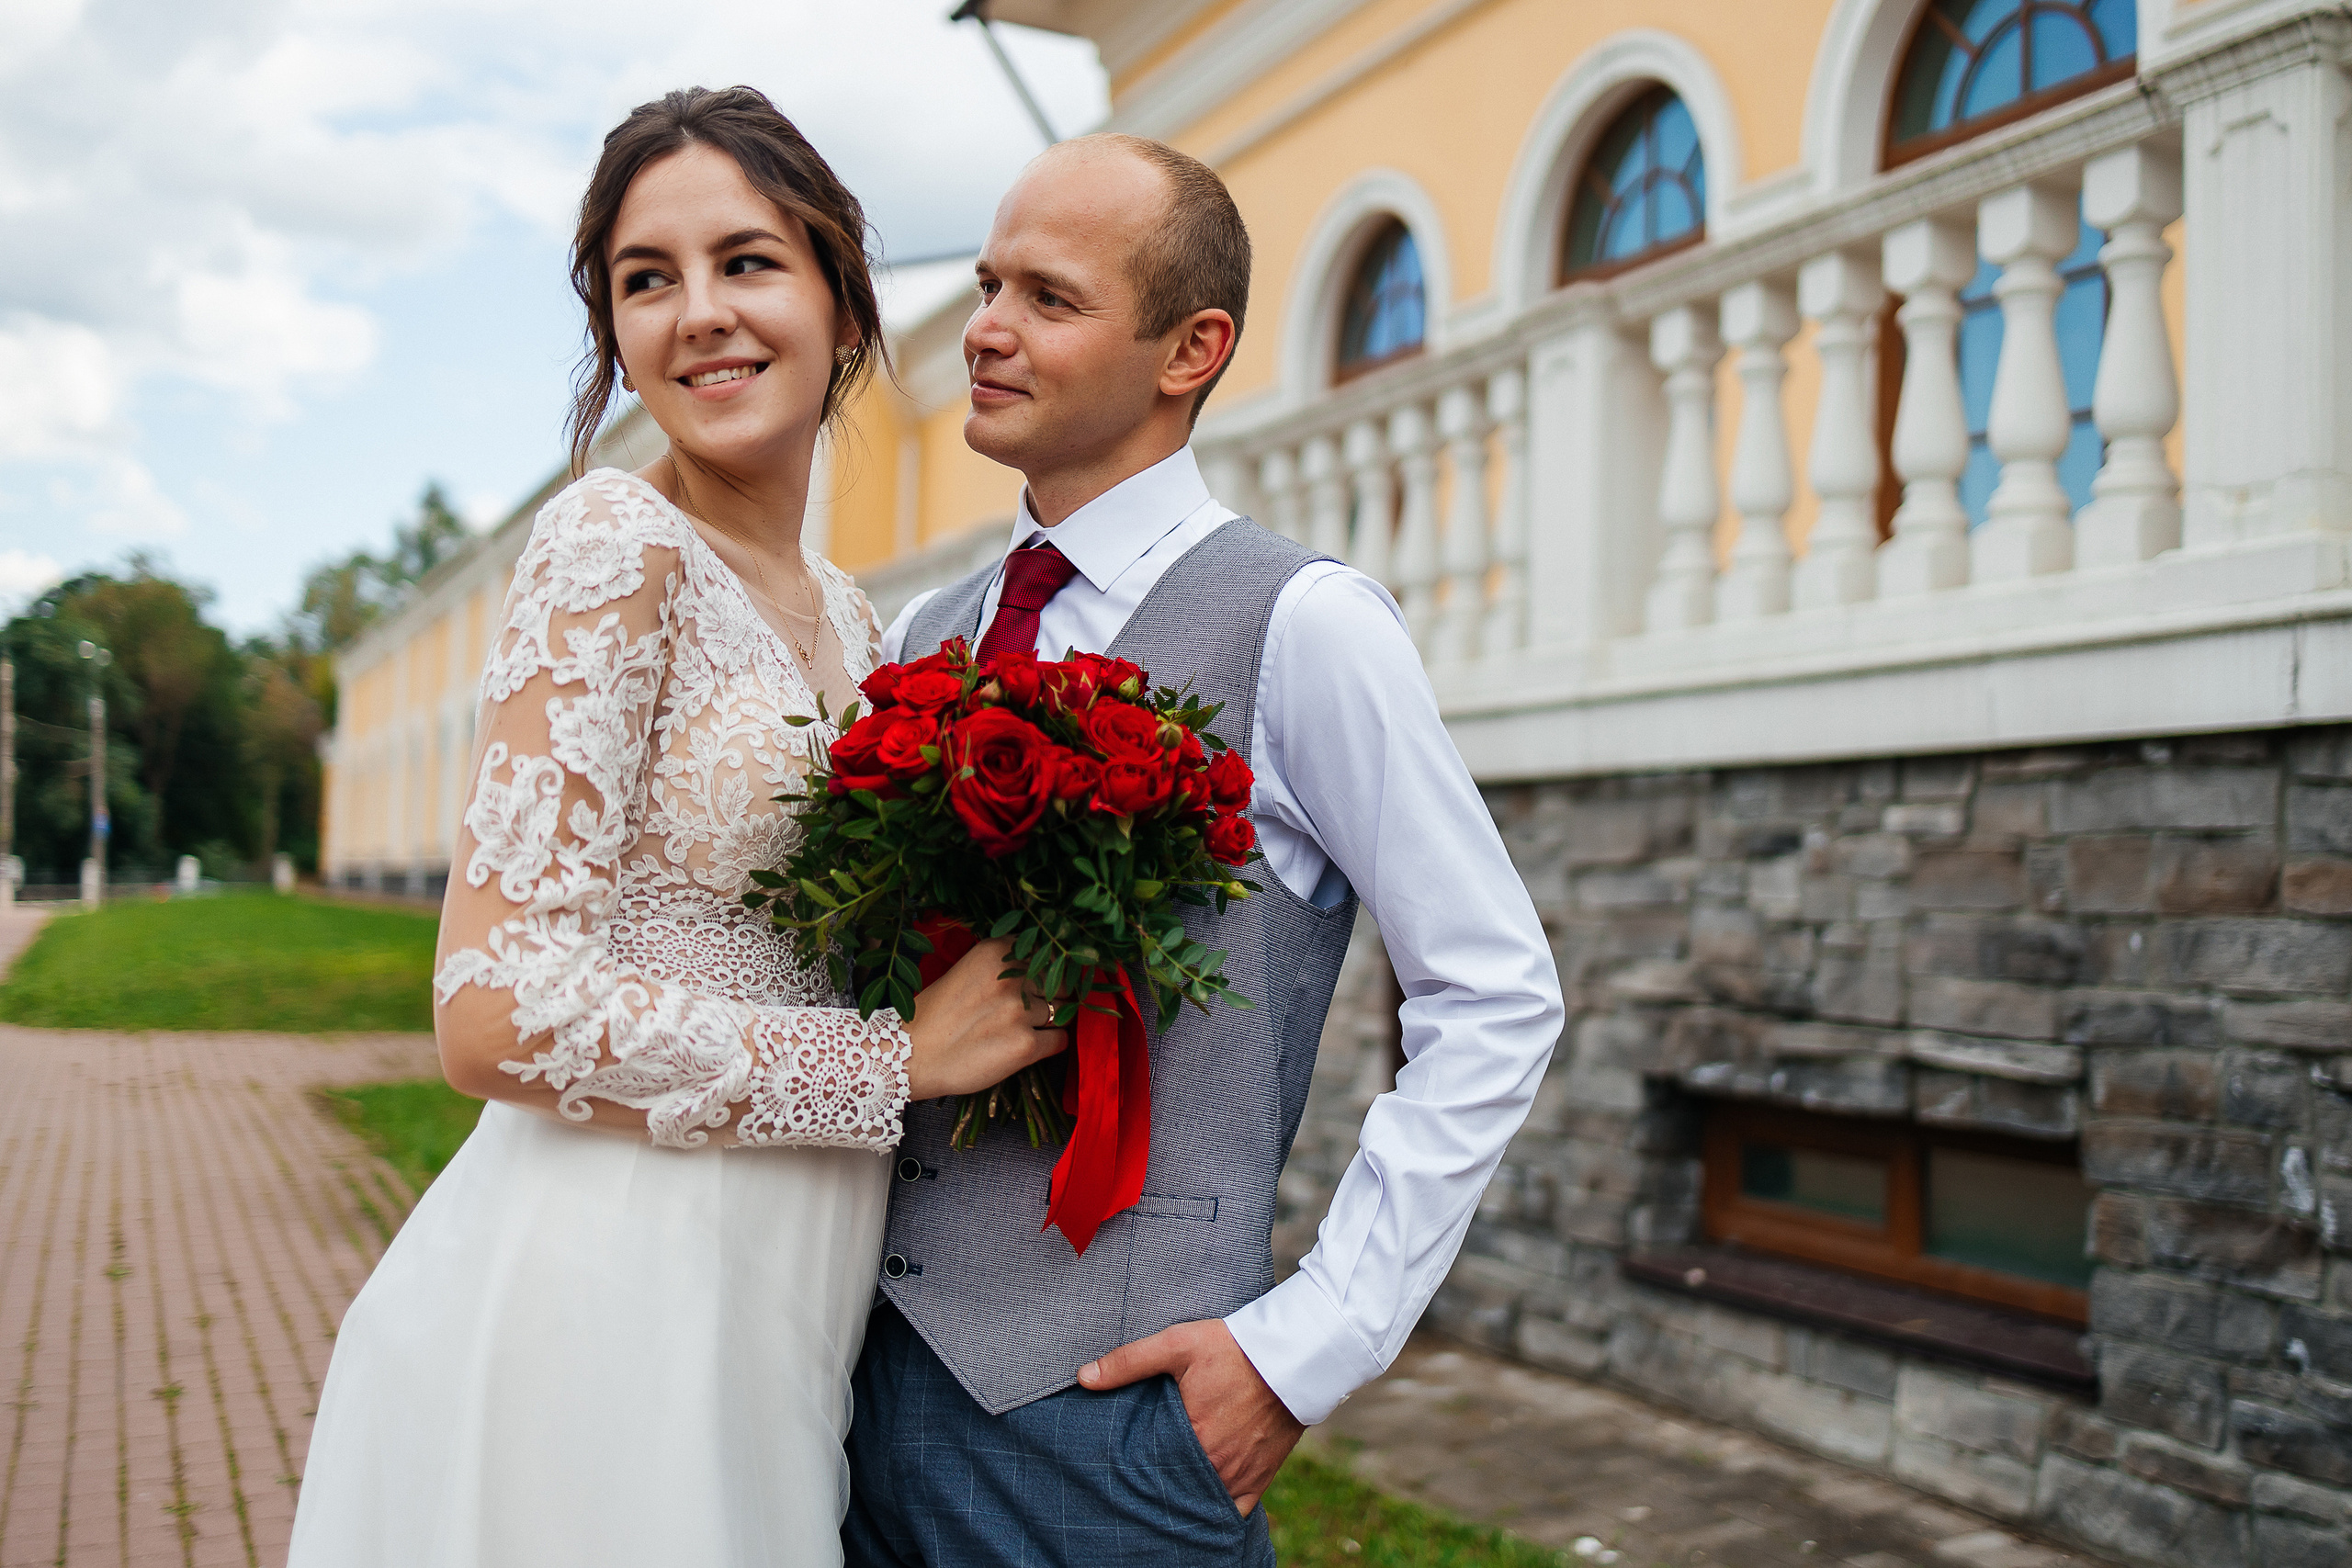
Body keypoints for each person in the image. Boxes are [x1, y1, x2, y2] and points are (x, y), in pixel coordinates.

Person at [287, 86, 1064, 1568]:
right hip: (612, 1287)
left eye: (747, 262)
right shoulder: (610, 544)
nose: (700, 313)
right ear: (617, 337)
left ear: (845, 301)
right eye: (649, 280)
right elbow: (489, 1010)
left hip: (786, 1296)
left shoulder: (851, 615)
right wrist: (895, 1060)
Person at [845, 134, 1565, 1566]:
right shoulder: (928, 637)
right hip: (862, 1386)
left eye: (1046, 298)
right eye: (989, 283)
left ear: (1192, 349)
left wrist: (1311, 1345)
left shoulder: (1305, 624)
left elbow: (1496, 997)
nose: (984, 328)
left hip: (1110, 1425)